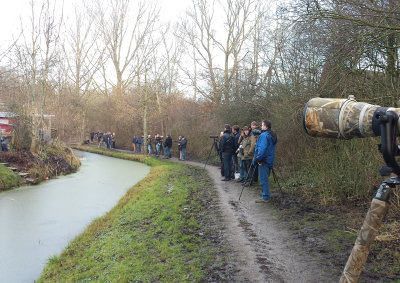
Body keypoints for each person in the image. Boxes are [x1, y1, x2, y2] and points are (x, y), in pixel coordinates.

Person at [253, 120, 277, 202]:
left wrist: (258, 159)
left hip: (263, 161)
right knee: (265, 178)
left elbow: (262, 149)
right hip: (269, 160)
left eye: (262, 125)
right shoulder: (271, 135)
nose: (261, 126)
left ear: (266, 126)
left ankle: (266, 197)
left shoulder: (264, 135)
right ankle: (265, 195)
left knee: (263, 179)